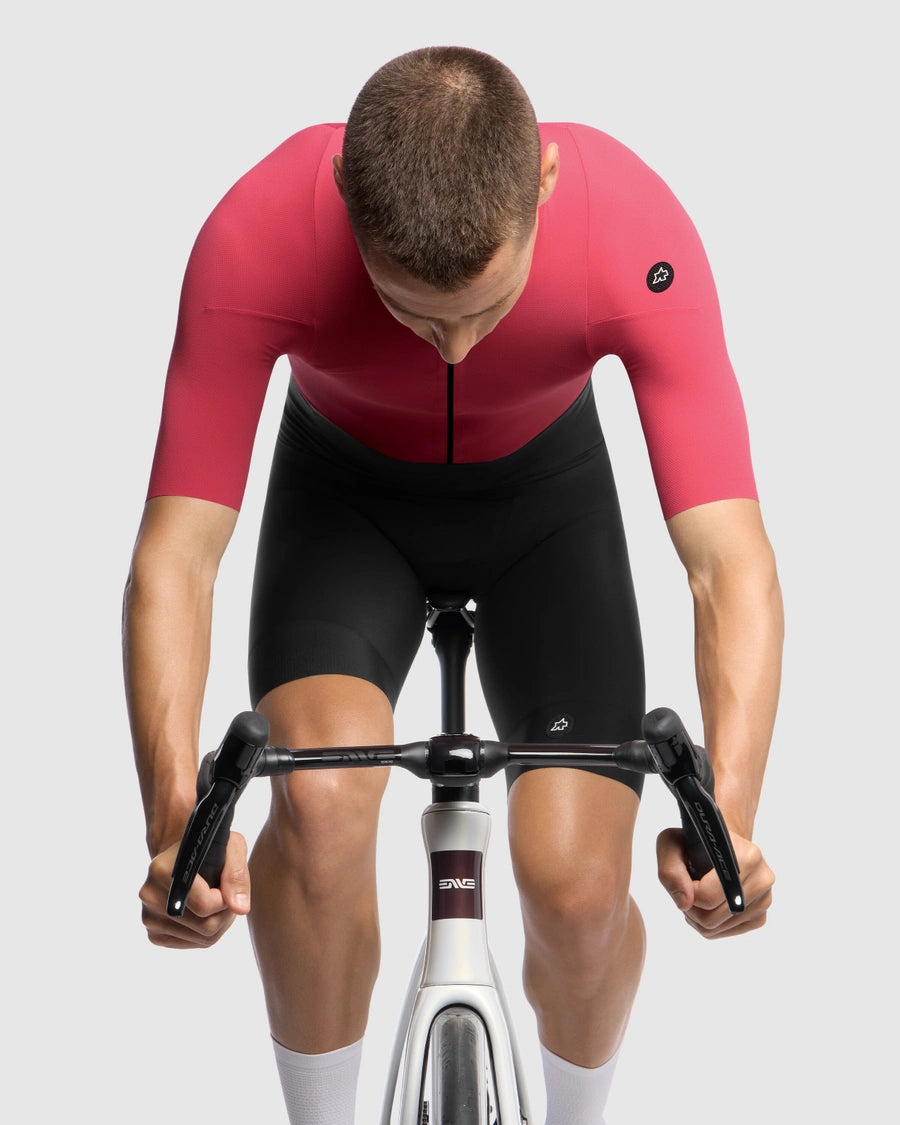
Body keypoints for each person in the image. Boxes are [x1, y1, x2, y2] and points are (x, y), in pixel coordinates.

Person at [124, 46, 783, 1125]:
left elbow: (729, 561)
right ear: (345, 197)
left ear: (546, 182)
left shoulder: (629, 225)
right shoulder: (260, 232)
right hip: (347, 517)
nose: (457, 347)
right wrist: (172, 830)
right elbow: (175, 558)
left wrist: (732, 824)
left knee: (577, 886)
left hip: (547, 520)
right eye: (416, 314)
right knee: (320, 806)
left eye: (487, 306)